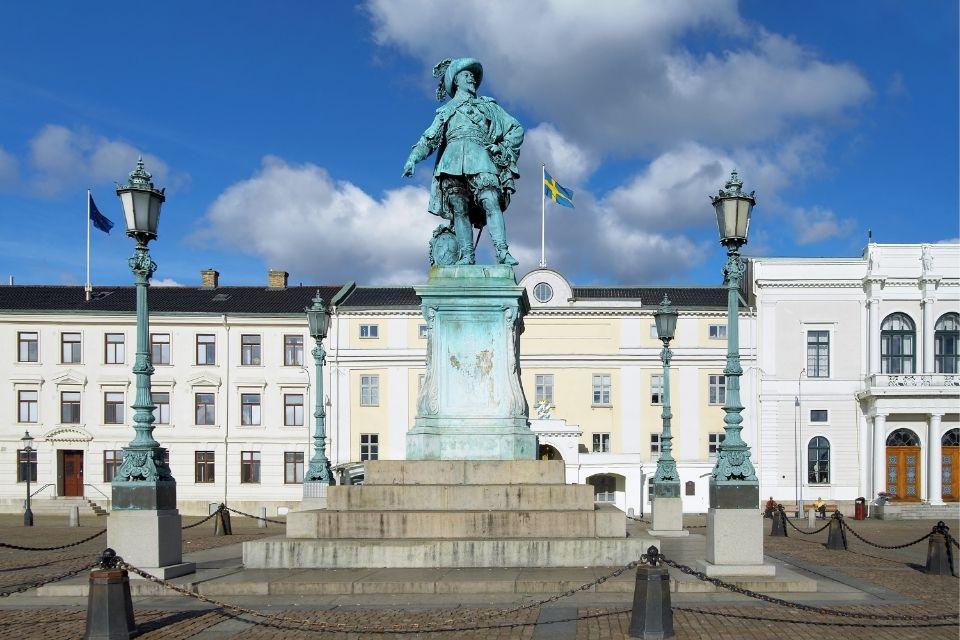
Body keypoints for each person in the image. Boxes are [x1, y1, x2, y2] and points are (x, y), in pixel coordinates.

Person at [403, 58, 524, 266]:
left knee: (491, 199)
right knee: (459, 208)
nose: (472, 79)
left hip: (481, 157)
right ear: (456, 81)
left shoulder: (488, 107)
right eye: (466, 75)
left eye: (473, 76)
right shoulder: (445, 111)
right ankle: (467, 255)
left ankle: (502, 252)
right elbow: (429, 139)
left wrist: (502, 148)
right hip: (451, 161)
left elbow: (516, 129)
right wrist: (413, 159)